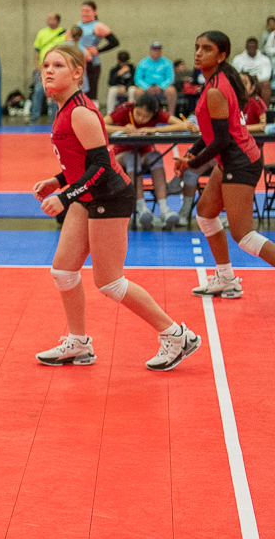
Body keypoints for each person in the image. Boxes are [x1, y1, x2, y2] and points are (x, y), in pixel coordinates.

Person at [32, 44, 200, 371]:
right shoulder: (64, 108)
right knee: (64, 271)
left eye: (58, 65)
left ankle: (176, 335)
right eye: (45, 66)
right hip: (89, 193)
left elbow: (101, 169)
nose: (49, 71)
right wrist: (57, 179)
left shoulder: (80, 111)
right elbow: (81, 163)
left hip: (109, 195)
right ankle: (78, 344)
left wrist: (65, 196)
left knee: (109, 282)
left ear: (78, 72)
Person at [176, 31, 275, 299]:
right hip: (233, 157)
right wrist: (191, 153)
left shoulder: (217, 89)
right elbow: (213, 132)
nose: (198, 53)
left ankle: (227, 277)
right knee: (206, 214)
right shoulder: (215, 82)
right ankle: (226, 278)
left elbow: (221, 140)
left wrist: (192, 163)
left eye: (206, 49)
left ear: (221, 56)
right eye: (197, 47)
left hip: (239, 160)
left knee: (243, 235)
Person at [105, 93, 188, 229]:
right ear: (135, 106)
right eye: (138, 114)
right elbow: (100, 123)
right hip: (122, 154)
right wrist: (122, 129)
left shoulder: (157, 113)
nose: (141, 118)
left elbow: (183, 125)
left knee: (155, 156)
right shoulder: (125, 109)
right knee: (133, 158)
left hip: (144, 152)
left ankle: (164, 209)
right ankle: (141, 207)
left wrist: (153, 129)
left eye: (146, 117)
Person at [74, 1, 118, 105]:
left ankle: (94, 114)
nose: (84, 13)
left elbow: (114, 42)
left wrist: (98, 50)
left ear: (95, 12)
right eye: (83, 11)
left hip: (91, 64)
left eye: (87, 11)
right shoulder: (77, 25)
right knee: (78, 91)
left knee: (91, 92)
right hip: (78, 63)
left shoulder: (98, 26)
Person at [29, 13, 66, 122]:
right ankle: (34, 116)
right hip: (42, 67)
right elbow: (37, 50)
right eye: (47, 18)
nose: (48, 20)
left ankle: (54, 116)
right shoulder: (42, 33)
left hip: (56, 68)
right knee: (38, 91)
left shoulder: (63, 33)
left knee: (55, 92)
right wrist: (37, 66)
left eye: (51, 18)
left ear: (57, 20)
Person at [134, 41, 177, 115]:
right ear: (150, 51)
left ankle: (171, 115)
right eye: (154, 50)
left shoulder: (167, 63)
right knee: (137, 92)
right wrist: (146, 87)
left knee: (171, 91)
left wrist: (161, 86)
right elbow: (138, 79)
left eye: (158, 50)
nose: (156, 52)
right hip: (147, 88)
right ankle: (139, 114)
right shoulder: (143, 63)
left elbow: (170, 78)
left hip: (162, 89)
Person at [231, 37, 271, 104]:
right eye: (249, 46)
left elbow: (266, 76)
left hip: (258, 83)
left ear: (257, 47)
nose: (251, 48)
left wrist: (255, 78)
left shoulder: (265, 59)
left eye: (253, 46)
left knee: (266, 84)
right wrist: (246, 78)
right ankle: (240, 108)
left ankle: (264, 110)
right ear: (246, 47)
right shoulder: (238, 59)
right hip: (243, 83)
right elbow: (234, 75)